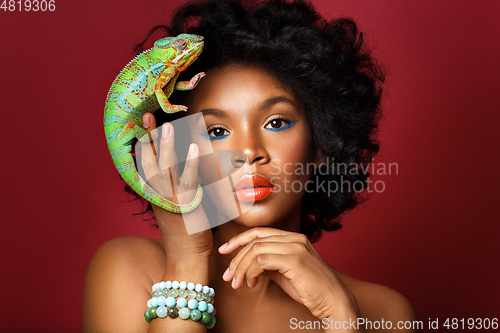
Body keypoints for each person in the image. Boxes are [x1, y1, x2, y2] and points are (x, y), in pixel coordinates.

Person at [83, 0, 420, 331]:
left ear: (322, 143)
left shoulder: (385, 312)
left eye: (276, 123)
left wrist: (342, 320)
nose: (248, 152)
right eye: (216, 131)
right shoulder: (127, 269)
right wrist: (186, 262)